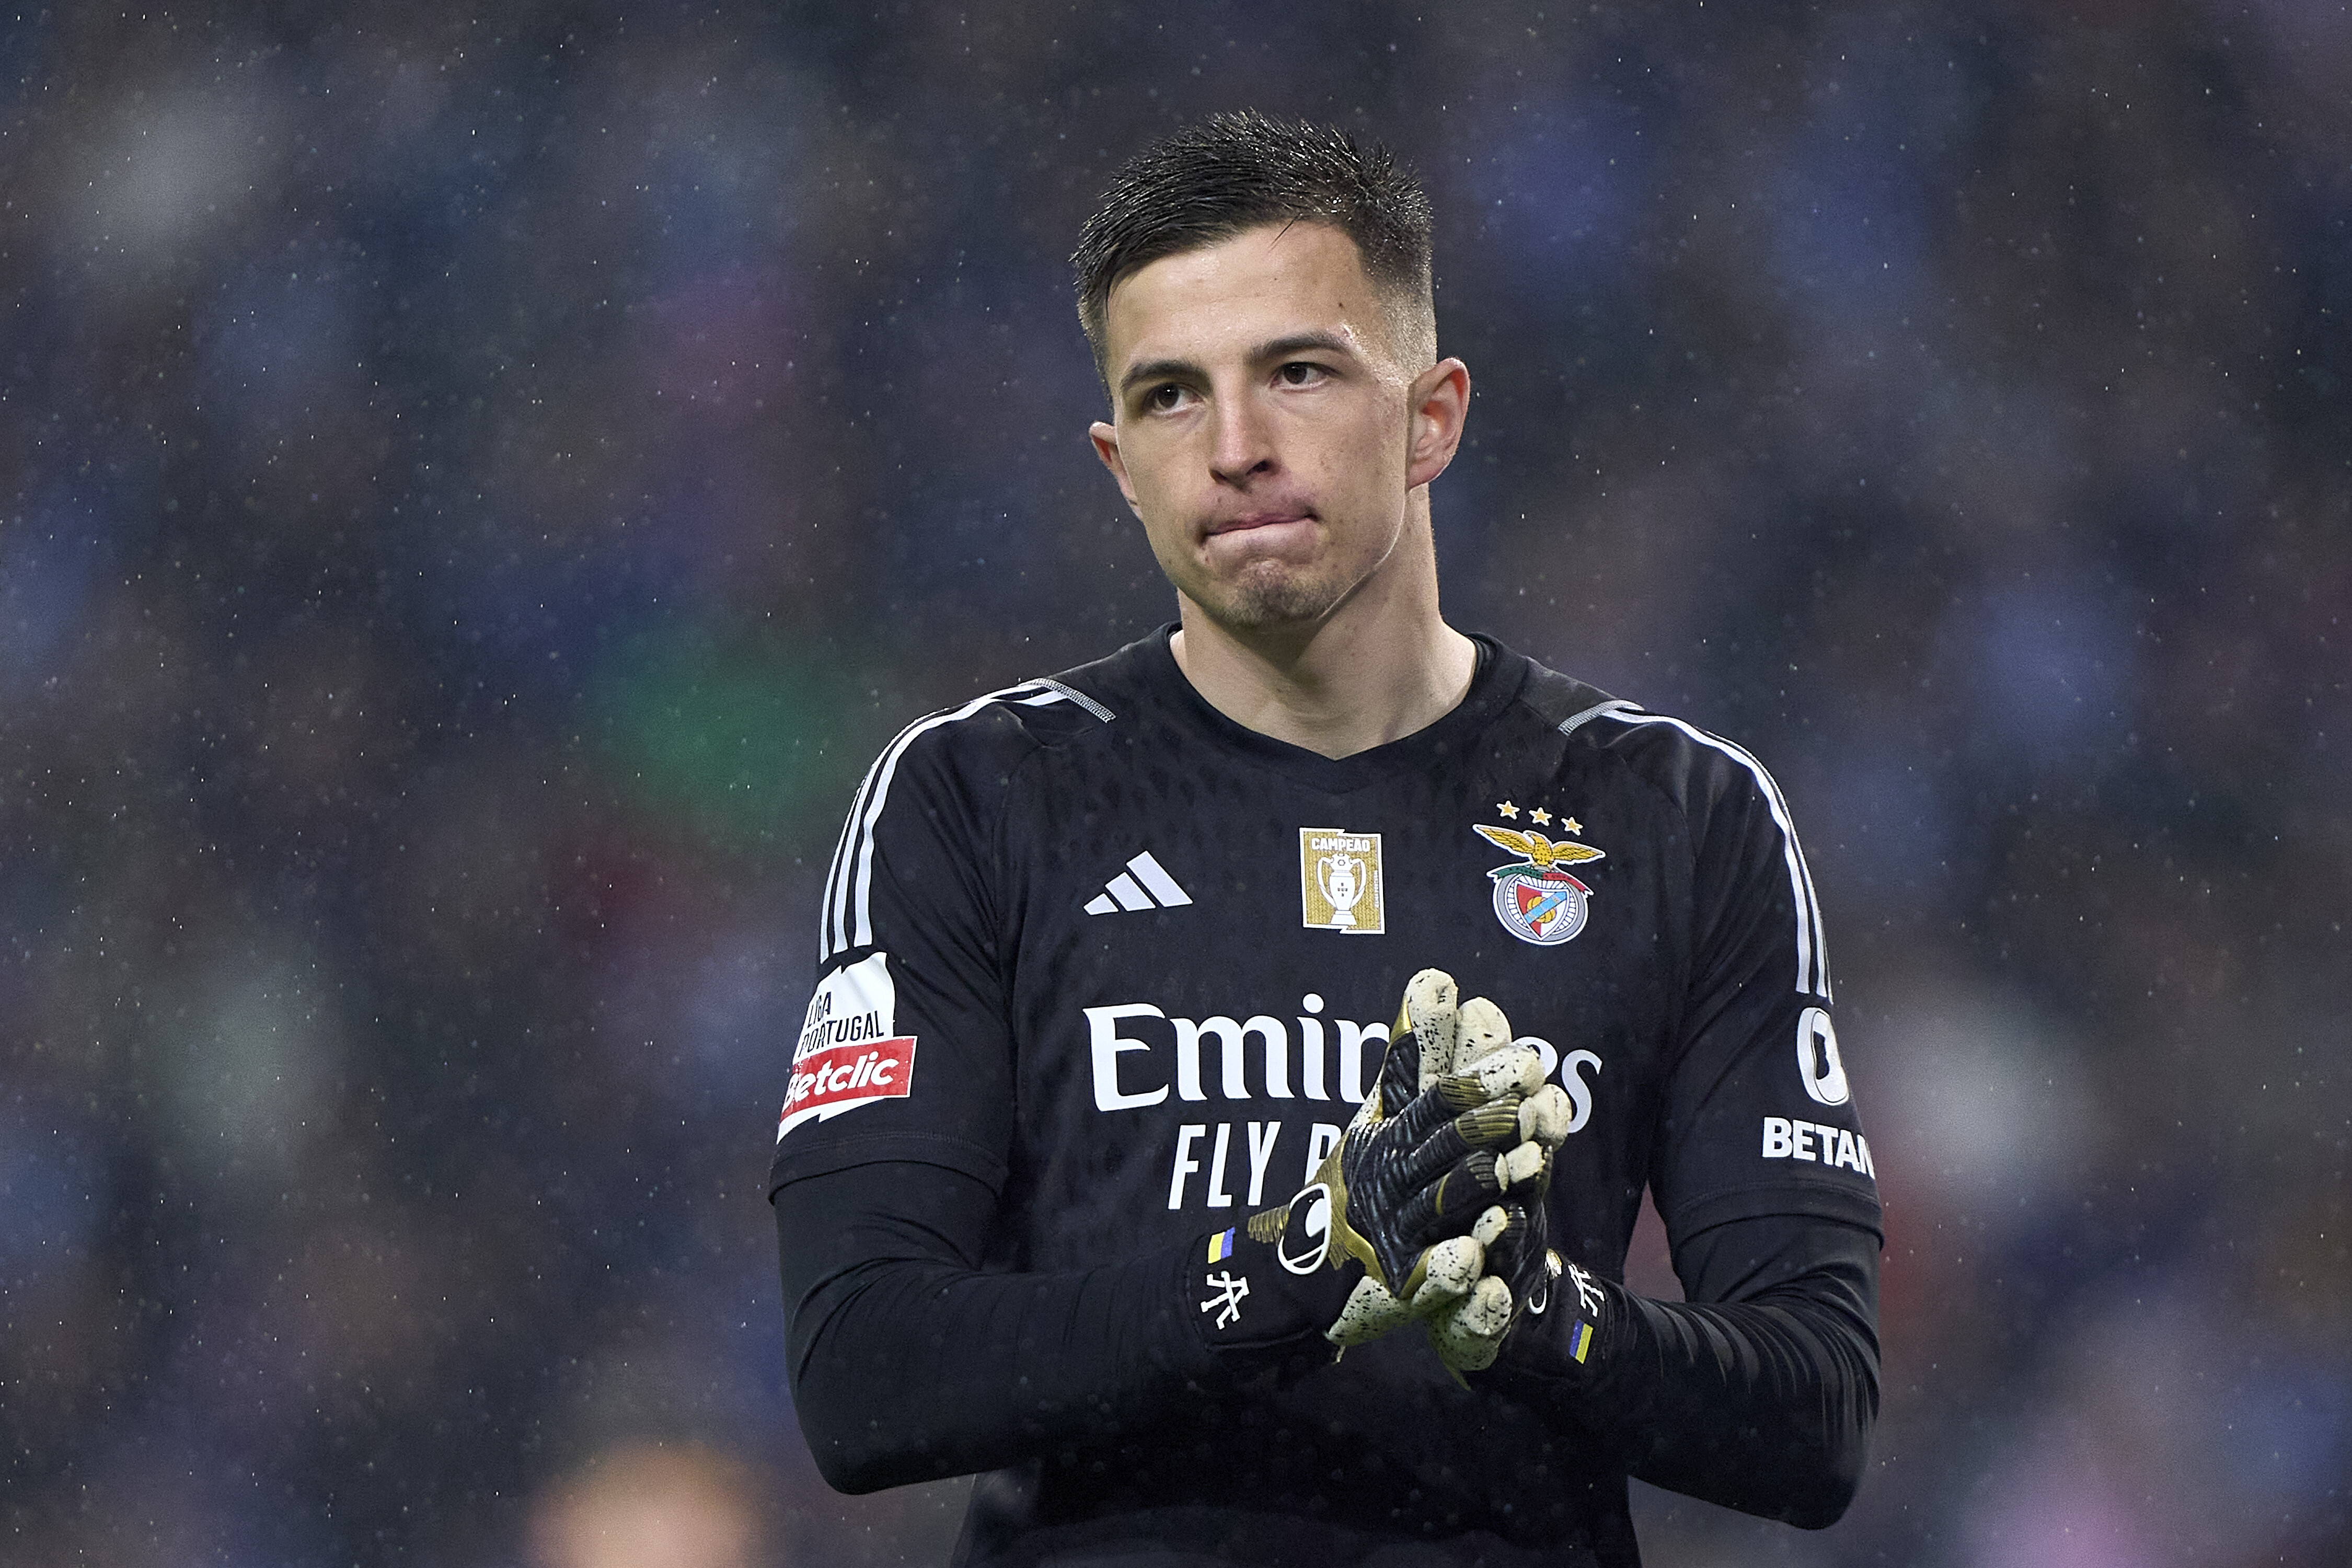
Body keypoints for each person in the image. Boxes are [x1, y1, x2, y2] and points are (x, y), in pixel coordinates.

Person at [770, 111, 1881, 1567]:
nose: (1235, 449)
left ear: (1433, 416)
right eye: (1171, 396)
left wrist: (1535, 1318)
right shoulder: (977, 797)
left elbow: (1816, 1416)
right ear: (1118, 461)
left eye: (1298, 372)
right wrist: (1307, 1254)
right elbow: (863, 1375)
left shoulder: (1679, 815)